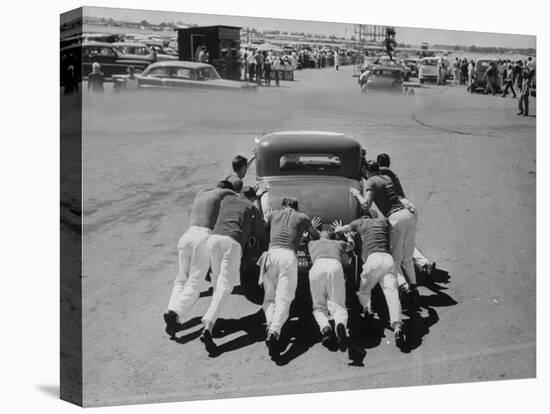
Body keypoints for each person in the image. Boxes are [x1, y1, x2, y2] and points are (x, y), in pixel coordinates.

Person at [163, 182, 237, 338]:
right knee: (195, 282)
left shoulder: (202, 192)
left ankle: (171, 310)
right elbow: (237, 197)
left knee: (181, 279)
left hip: (186, 236)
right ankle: (176, 312)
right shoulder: (225, 194)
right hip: (202, 238)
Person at [200, 187, 260, 353]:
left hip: (213, 239)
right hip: (232, 243)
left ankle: (213, 317)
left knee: (217, 282)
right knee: (226, 286)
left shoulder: (227, 200)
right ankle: (208, 324)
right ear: (253, 198)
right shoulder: (251, 206)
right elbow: (258, 231)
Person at [259, 197, 321, 360]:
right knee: (284, 298)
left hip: (271, 255)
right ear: (295, 207)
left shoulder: (274, 214)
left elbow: (264, 225)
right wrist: (309, 229)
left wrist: (267, 217)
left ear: (283, 206)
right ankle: (274, 331)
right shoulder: (302, 217)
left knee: (269, 297)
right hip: (288, 256)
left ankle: (270, 324)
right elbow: (316, 236)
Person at [350, 160, 419, 304]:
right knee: (407, 256)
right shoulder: (386, 178)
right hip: (408, 213)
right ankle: (414, 286)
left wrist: (357, 194)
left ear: (367, 172)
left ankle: (403, 286)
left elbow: (365, 204)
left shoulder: (371, 182)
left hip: (395, 217)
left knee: (394, 258)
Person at [333, 213, 404, 347]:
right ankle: (397, 327)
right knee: (392, 294)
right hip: (388, 259)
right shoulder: (383, 221)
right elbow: (396, 230)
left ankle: (368, 308)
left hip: (373, 259)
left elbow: (339, 230)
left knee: (364, 291)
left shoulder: (360, 223)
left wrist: (342, 231)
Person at [375, 153, 436, 275]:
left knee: (398, 245)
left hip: (398, 209)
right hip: (408, 207)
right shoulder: (391, 174)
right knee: (407, 242)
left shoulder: (383, 172)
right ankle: (424, 264)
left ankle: (402, 281)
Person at [307, 229, 355, 351]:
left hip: (317, 267)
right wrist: (348, 236)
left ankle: (326, 329)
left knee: (319, 305)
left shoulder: (312, 244)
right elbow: (352, 246)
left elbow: (305, 239)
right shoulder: (338, 243)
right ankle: (340, 325)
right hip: (335, 266)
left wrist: (312, 231)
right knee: (337, 303)